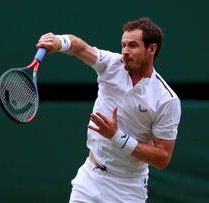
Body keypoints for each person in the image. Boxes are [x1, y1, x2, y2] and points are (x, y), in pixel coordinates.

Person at [36, 17, 181, 202]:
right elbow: (79, 47)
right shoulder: (111, 64)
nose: (125, 52)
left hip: (128, 189)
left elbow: (162, 157)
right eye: (123, 45)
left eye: (133, 46)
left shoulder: (166, 100)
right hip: (90, 177)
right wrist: (59, 41)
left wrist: (117, 136)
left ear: (151, 49)